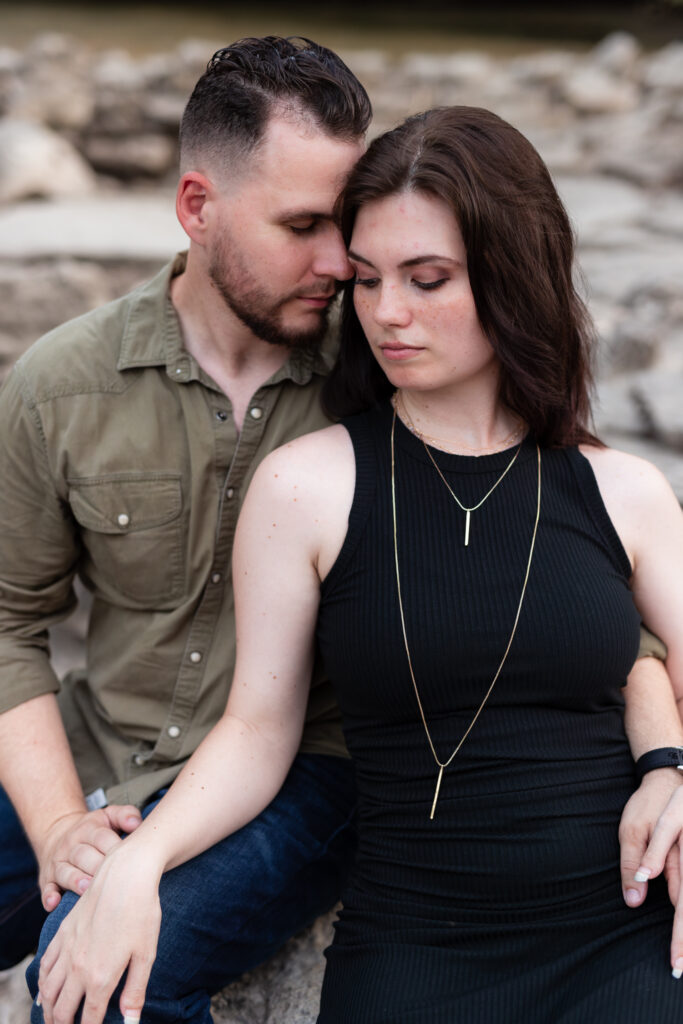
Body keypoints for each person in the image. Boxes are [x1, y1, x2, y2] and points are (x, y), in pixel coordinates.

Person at [32, 105, 683, 1024]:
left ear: (513, 276)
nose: (385, 313)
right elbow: (258, 732)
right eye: (368, 280)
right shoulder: (309, 487)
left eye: (427, 280)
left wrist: (671, 772)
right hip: (414, 944)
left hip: (619, 932)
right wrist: (138, 864)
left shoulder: (623, 491)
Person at [0, 35, 370, 1018]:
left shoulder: (378, 386)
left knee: (92, 983)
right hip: (98, 747)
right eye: (300, 225)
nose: (338, 261)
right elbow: (7, 622)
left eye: (347, 223)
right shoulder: (61, 386)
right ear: (197, 208)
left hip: (304, 777)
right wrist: (55, 826)